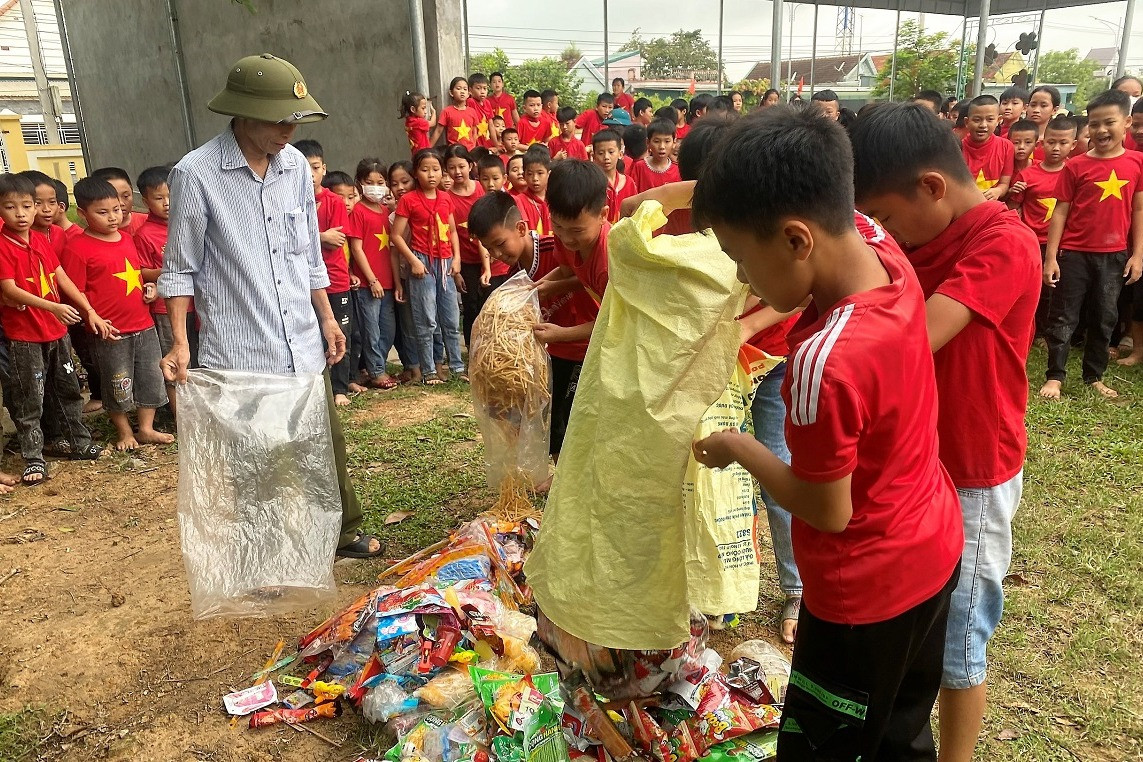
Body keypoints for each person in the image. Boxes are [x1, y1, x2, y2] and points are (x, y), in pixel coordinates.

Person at [690, 105, 963, 761]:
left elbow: (826, 508)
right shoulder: (878, 247)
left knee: (825, 745)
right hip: (931, 550)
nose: (740, 280)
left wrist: (738, 447)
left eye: (738, 258)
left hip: (860, 598)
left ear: (793, 240)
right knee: (899, 731)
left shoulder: (821, 365)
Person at [850, 102, 1040, 762]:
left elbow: (920, 335)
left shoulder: (1003, 241)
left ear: (931, 186)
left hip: (972, 472)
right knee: (913, 627)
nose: (889, 235)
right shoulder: (918, 235)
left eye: (890, 219)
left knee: (959, 636)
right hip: (917, 467)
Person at [158, 52, 383, 558]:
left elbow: (305, 250)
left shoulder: (296, 166)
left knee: (323, 442)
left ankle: (340, 533)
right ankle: (263, 550)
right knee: (256, 456)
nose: (289, 128)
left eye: (295, 119)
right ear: (241, 113)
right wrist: (178, 340)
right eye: (279, 119)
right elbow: (180, 267)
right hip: (244, 348)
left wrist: (326, 317)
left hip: (301, 337)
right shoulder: (195, 175)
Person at [469, 189, 598, 464]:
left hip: (583, 345)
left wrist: (551, 290)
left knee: (570, 413)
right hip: (554, 350)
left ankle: (567, 475)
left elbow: (582, 276)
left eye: (500, 244)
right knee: (548, 414)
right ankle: (558, 471)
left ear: (521, 228)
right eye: (488, 249)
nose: (495, 254)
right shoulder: (514, 270)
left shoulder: (558, 248)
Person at [0, 173, 105, 487]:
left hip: (56, 333)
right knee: (29, 398)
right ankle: (34, 458)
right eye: (10, 207)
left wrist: (87, 308)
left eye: (26, 206)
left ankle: (78, 442)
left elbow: (59, 275)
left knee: (69, 388)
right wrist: (53, 307)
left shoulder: (40, 240)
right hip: (24, 337)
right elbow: (9, 288)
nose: (20, 213)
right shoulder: (3, 245)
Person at [1042, 89, 1143, 399]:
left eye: (1108, 122)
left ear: (1126, 122)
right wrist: (1051, 257)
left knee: (1105, 317)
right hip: (1073, 254)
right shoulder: (1076, 165)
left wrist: (1137, 254)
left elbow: (1138, 209)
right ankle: (1055, 376)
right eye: (1094, 124)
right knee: (1063, 316)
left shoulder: (1137, 163)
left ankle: (1094, 376)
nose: (1101, 130)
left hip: (1114, 256)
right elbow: (1060, 211)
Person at [63, 177, 173, 451]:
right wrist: (92, 317)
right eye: (103, 212)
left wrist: (149, 287)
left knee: (150, 375)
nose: (113, 217)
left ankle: (146, 428)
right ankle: (125, 431)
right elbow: (74, 292)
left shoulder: (126, 239)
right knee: (116, 380)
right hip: (110, 331)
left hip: (144, 324)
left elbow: (135, 273)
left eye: (116, 209)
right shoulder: (77, 248)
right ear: (82, 214)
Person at [391, 148, 465, 385]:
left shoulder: (445, 197)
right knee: (426, 320)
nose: (431, 175)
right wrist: (413, 261)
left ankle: (457, 366)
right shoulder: (408, 200)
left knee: (452, 319)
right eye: (425, 170)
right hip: (422, 262)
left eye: (435, 169)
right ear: (416, 173)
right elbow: (396, 236)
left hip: (445, 263)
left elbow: (452, 230)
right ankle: (429, 370)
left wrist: (457, 259)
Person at [133, 164, 199, 418]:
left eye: (172, 196)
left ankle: (198, 411)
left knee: (197, 360)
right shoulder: (145, 234)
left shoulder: (187, 224)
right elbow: (140, 271)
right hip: (166, 308)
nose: (168, 203)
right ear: (145, 200)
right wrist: (173, 270)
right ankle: (181, 418)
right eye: (159, 198)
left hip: (198, 305)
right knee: (176, 361)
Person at [295, 139, 355, 406]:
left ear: (324, 169)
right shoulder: (292, 200)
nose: (310, 173)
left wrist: (310, 237)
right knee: (308, 336)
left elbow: (337, 240)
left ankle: (339, 388)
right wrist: (320, 235)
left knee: (340, 332)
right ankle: (316, 388)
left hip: (335, 279)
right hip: (301, 281)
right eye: (304, 167)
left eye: (315, 167)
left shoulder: (334, 202)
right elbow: (291, 239)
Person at [1008, 116, 1077, 338]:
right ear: (1042, 143)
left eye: (1063, 143)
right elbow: (1013, 207)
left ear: (1073, 145)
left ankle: (1050, 332)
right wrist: (1013, 192)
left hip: (1060, 242)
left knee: (1055, 290)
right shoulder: (1027, 175)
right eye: (1051, 142)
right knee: (1031, 288)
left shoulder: (1074, 173)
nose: (1056, 148)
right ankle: (1031, 330)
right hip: (1032, 241)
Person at [346, 158, 401, 391]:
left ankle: (373, 366)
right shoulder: (358, 211)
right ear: (360, 183)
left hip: (387, 281)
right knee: (371, 329)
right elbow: (356, 248)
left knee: (387, 329)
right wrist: (372, 279)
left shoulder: (385, 211)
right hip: (370, 284)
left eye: (380, 182)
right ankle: (376, 371)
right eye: (370, 182)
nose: (375, 187)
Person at [446, 145, 503, 346]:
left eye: (461, 166)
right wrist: (456, 270)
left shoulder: (483, 188)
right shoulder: (446, 197)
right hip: (467, 262)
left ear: (470, 166)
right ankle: (473, 349)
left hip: (492, 259)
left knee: (490, 305)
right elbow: (450, 234)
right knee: (470, 307)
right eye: (451, 167)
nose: (457, 172)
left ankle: (492, 346)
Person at [543, 160, 611, 306]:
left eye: (577, 230)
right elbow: (566, 272)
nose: (567, 239)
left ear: (603, 215)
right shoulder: (563, 234)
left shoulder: (608, 262)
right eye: (557, 225)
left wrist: (562, 331)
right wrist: (535, 288)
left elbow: (615, 319)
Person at [961, 95, 1014, 201]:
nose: (983, 125)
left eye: (990, 119)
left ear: (998, 120)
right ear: (967, 122)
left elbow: (1004, 183)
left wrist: (997, 191)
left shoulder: (1006, 147)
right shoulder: (957, 147)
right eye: (977, 120)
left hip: (992, 207)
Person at [592, 130, 636, 224]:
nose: (606, 157)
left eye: (611, 152)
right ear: (593, 156)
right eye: (600, 153)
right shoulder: (591, 184)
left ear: (620, 154)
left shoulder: (629, 182)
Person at [17, 171, 65, 255]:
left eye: (52, 202)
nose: (47, 209)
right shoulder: (15, 238)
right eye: (38, 203)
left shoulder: (59, 233)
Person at [626, 118, 680, 192]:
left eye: (667, 141)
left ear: (674, 143)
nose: (662, 146)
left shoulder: (677, 170)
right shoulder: (639, 167)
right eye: (656, 141)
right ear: (648, 142)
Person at [92, 167, 148, 235]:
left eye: (126, 196)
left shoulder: (148, 222)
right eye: (113, 197)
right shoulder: (94, 234)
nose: (121, 203)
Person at [431, 77, 479, 150]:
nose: (462, 91)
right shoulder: (446, 111)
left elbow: (474, 132)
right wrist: (428, 147)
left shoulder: (472, 111)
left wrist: (473, 147)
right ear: (451, 93)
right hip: (454, 151)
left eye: (465, 89)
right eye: (458, 88)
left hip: (470, 151)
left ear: (469, 94)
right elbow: (438, 131)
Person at [519, 147, 552, 235]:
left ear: (548, 174)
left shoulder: (556, 198)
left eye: (540, 173)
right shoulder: (519, 200)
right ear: (524, 175)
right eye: (530, 174)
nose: (535, 179)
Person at [1027, 86, 1061, 159]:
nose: (1036, 110)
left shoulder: (1059, 142)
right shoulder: (1013, 136)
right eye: (1033, 105)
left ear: (1054, 110)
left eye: (1043, 106)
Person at [402, 91, 437, 156]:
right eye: (423, 108)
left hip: (416, 154)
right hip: (424, 153)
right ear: (413, 109)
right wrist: (434, 112)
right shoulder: (419, 122)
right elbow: (433, 123)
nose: (426, 112)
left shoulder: (408, 121)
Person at [467, 73, 495, 147]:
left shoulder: (487, 102)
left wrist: (496, 144)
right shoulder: (470, 101)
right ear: (470, 90)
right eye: (478, 88)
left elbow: (491, 125)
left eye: (485, 88)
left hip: (485, 140)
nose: (482, 91)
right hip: (474, 141)